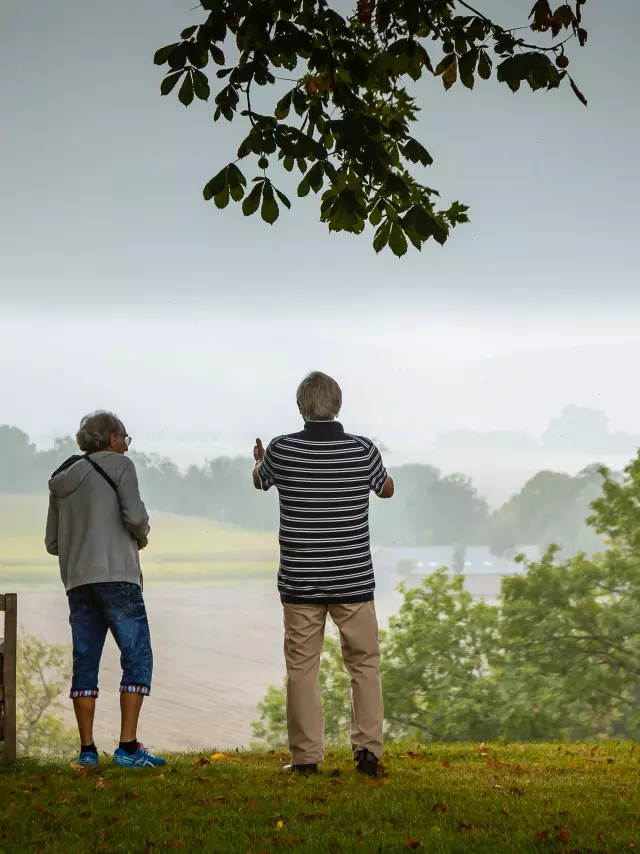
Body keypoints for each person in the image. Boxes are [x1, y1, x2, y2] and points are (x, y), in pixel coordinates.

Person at [253, 372, 394, 777]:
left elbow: (260, 481)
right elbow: (384, 489)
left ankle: (305, 759)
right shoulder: (362, 450)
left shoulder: (281, 450)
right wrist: (384, 481)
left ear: (300, 406)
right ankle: (368, 753)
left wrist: (260, 461)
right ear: (339, 404)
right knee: (364, 665)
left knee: (302, 669)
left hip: (301, 582)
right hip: (352, 579)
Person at [45, 411, 165, 768]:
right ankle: (128, 748)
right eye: (125, 437)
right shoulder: (121, 466)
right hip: (118, 575)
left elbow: (53, 542)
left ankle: (87, 751)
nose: (127, 445)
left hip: (78, 580)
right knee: (137, 657)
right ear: (111, 439)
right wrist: (141, 534)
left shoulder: (61, 480)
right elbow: (135, 517)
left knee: (86, 660)